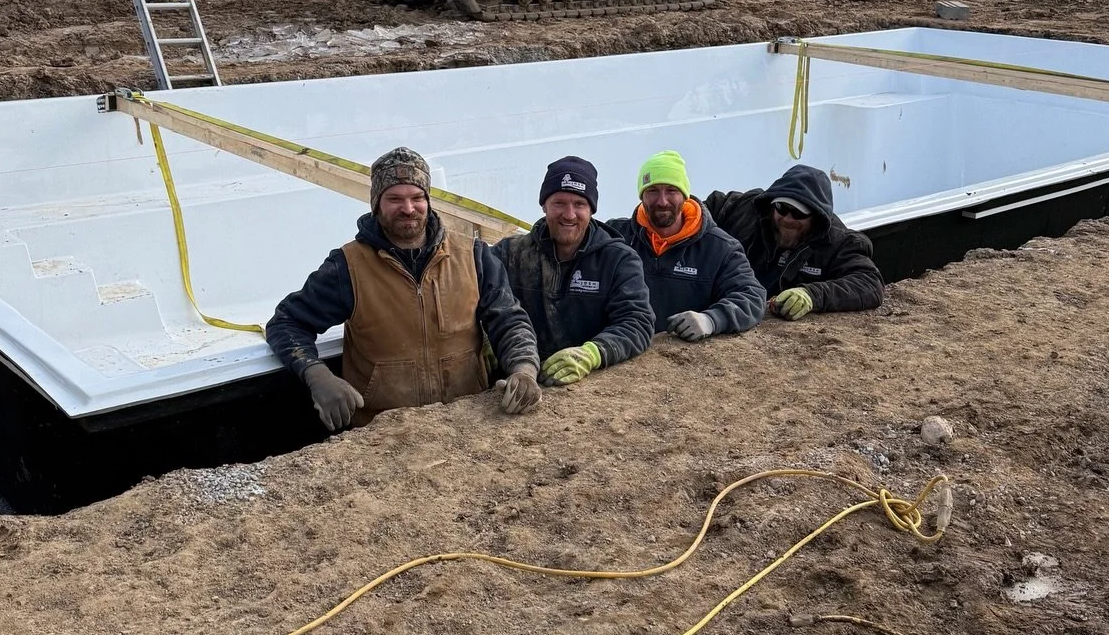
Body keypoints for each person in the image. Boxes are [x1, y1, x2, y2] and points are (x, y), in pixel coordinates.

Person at [266, 147, 542, 432]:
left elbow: (509, 319)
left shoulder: (472, 255)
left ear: (428, 201)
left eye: (417, 197)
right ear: (376, 203)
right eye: (394, 199)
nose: (408, 208)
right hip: (383, 432)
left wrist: (524, 369)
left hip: (466, 423)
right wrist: (317, 375)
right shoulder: (348, 267)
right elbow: (287, 322)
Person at [490, 155, 653, 386]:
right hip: (517, 377)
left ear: (592, 209)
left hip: (588, 388)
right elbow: (474, 298)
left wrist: (593, 353)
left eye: (579, 204)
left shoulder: (618, 259)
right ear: (544, 205)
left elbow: (638, 321)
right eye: (559, 203)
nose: (569, 214)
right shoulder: (509, 254)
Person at [604, 150, 765, 342]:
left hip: (683, 360)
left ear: (684, 195)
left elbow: (752, 297)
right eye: (652, 191)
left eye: (671, 190)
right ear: (641, 196)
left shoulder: (720, 248)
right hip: (621, 351)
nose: (662, 201)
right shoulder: (616, 236)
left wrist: (711, 320)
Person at [705, 164, 883, 319]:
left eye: (799, 213)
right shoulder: (743, 210)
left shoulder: (839, 243)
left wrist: (811, 294)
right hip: (719, 308)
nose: (788, 219)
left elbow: (869, 283)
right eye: (782, 208)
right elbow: (701, 209)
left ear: (817, 217)